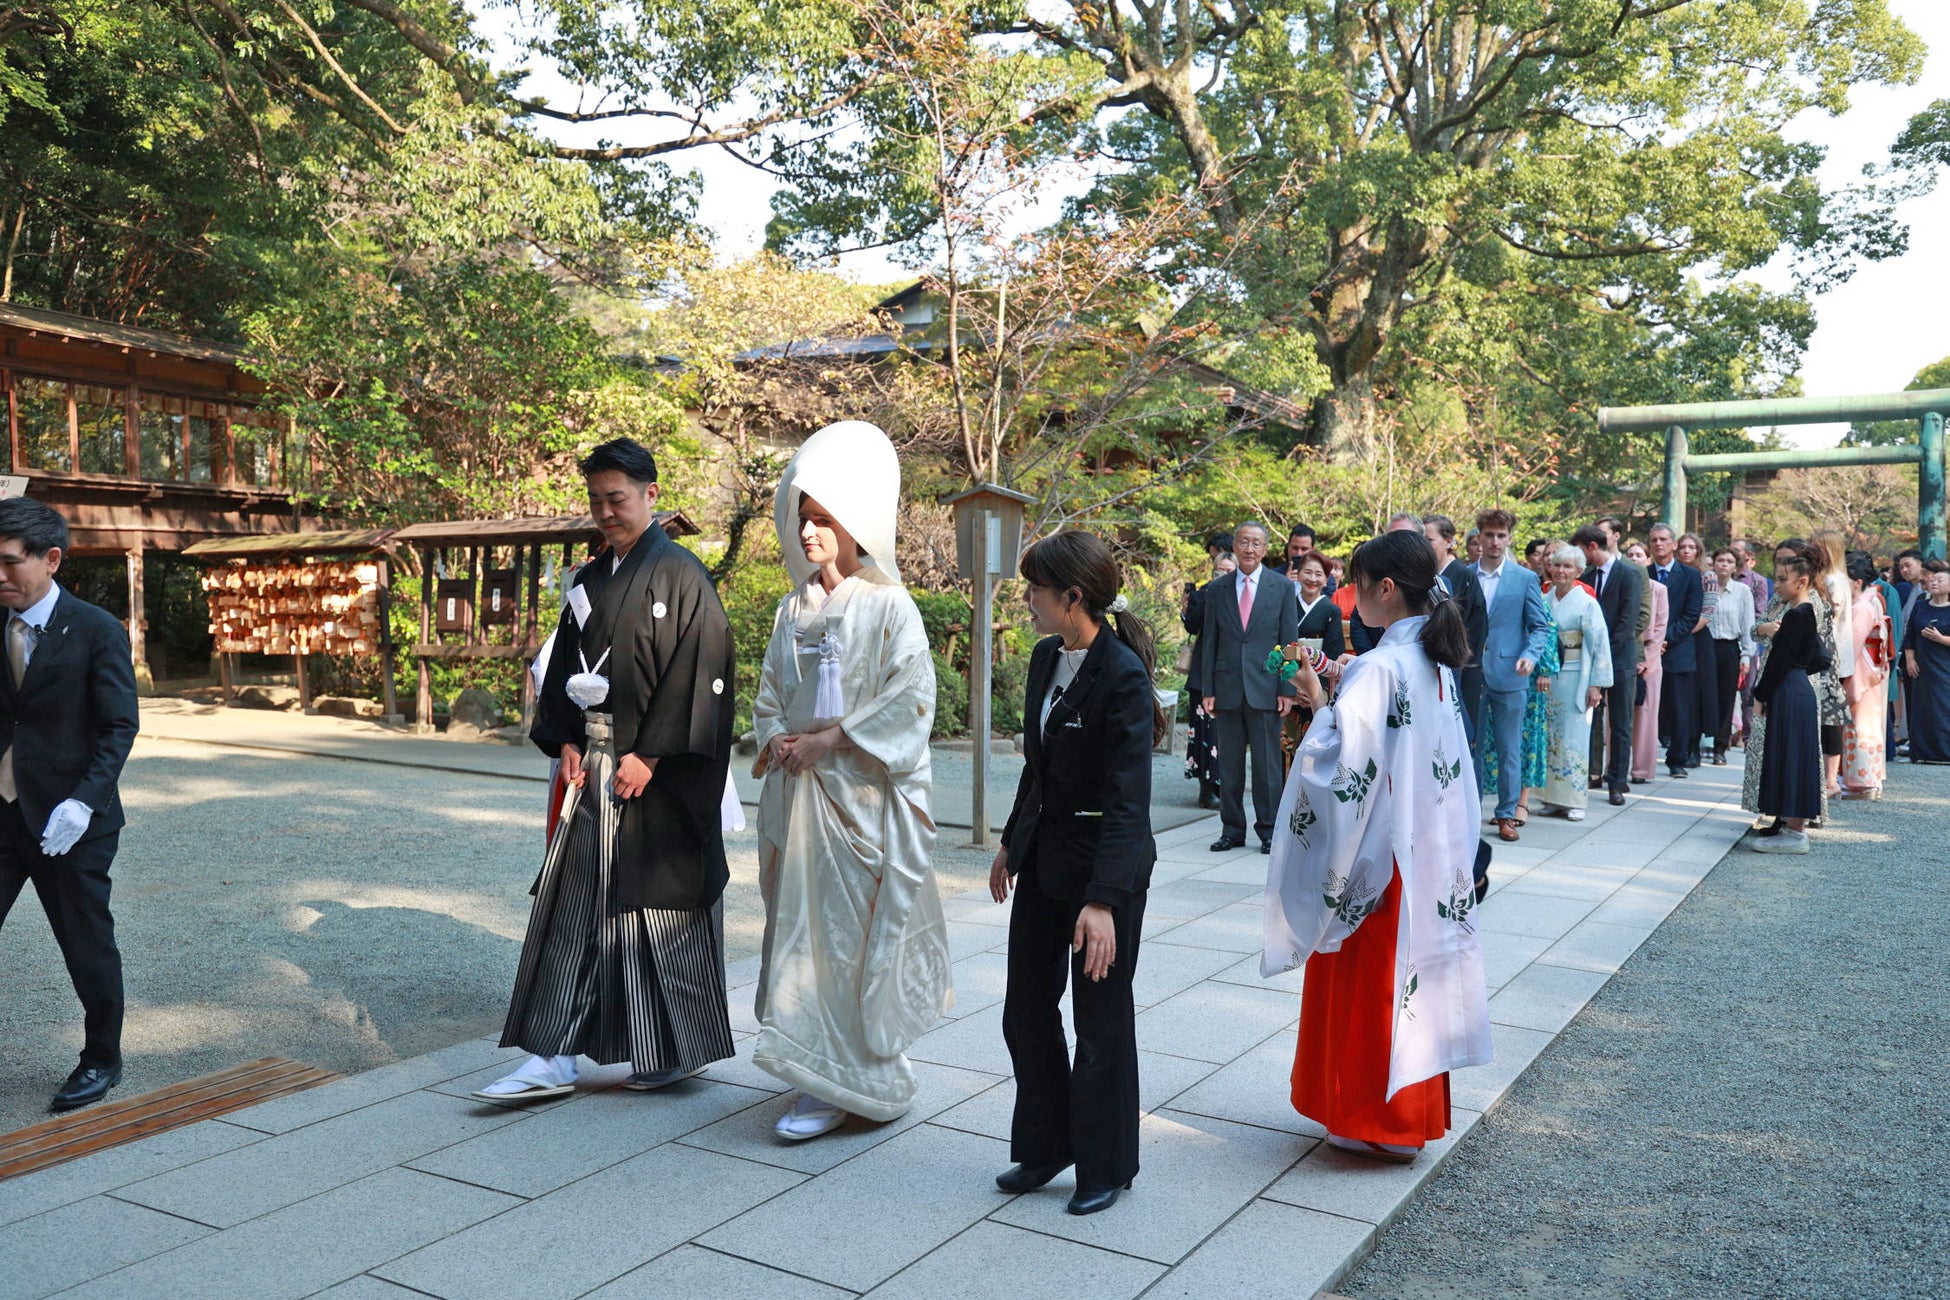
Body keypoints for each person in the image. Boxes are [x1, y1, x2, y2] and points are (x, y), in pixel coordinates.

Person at [479, 438, 737, 1103]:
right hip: (593, 764)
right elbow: (563, 661)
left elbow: (703, 673)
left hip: (657, 770)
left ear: (651, 495)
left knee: (657, 911)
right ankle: (553, 1053)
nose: (605, 512)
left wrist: (651, 755)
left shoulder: (683, 575)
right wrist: (563, 737)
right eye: (595, 499)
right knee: (574, 904)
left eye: (616, 498)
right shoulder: (590, 580)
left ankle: (674, 1049)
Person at [1262, 529, 1491, 1164]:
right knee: (1411, 980)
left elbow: (1342, 766)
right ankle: (1405, 1116)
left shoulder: (1381, 665)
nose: (1351, 598)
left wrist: (1316, 701)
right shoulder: (1433, 661)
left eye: (1358, 586)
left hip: (1381, 853)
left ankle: (1368, 1116)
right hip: (1428, 847)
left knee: (1369, 981)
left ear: (1384, 589)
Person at [749, 422, 952, 1139]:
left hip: (857, 802)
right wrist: (778, 737)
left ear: (852, 525)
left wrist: (831, 740)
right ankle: (810, 1066)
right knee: (799, 934)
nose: (807, 534)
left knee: (849, 940)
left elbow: (912, 698)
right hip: (801, 797)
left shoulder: (889, 604)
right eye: (802, 520)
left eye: (821, 520)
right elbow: (769, 691)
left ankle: (852, 1079)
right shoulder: (791, 608)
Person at [992, 530, 1163, 1216]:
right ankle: (1047, 1144)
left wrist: (1103, 902)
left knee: (1099, 1024)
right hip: (1044, 861)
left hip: (1104, 876)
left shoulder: (1122, 675)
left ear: (1073, 597)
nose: (1026, 599)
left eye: (1036, 588)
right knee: (1025, 1011)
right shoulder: (1044, 657)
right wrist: (1011, 841)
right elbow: (1039, 767)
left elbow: (1129, 801)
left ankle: (1108, 1164)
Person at [0, 498, 140, 1113]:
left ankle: (101, 1059)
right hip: (3, 814)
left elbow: (118, 728)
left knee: (86, 944)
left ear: (51, 560)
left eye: (9, 564)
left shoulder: (96, 630)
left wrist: (84, 803)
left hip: (72, 824)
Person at [1201, 521, 1300, 853]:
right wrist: (1207, 688)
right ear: (1235, 544)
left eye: (1256, 543)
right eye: (1244, 542)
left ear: (1265, 549)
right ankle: (1231, 829)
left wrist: (1286, 688)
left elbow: (1289, 641)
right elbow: (1209, 641)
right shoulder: (1217, 589)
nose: (1249, 549)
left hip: (1266, 686)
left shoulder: (1282, 587)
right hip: (1226, 685)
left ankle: (1269, 830)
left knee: (1267, 766)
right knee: (1228, 765)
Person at [1470, 509, 1551, 842]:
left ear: (1509, 538)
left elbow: (1540, 626)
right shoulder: (1464, 576)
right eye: (1489, 535)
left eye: (1501, 535)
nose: (1494, 541)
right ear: (1479, 537)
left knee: (1509, 748)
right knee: (1469, 746)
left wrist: (1530, 656)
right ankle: (1467, 812)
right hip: (1470, 672)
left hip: (1511, 672)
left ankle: (1506, 814)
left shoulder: (1524, 578)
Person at [1746, 553, 1827, 855]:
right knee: (1794, 756)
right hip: (1795, 688)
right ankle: (1793, 828)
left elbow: (1779, 662)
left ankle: (1795, 832)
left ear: (1801, 581)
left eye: (1783, 579)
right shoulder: (1802, 612)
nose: (1777, 585)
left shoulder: (1797, 614)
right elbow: (1818, 658)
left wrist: (1760, 694)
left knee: (1793, 757)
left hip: (1789, 688)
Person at [1576, 524, 1640, 806]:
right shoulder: (1587, 576)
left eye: (1580, 550)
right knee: (1591, 721)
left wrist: (1604, 658)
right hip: (1590, 662)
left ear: (1591, 546)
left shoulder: (1629, 574)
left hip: (1621, 660)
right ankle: (1589, 774)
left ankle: (1616, 781)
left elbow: (1628, 622)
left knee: (1621, 723)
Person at [1423, 516, 1487, 754]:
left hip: (1459, 665)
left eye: (1429, 539)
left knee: (1462, 739)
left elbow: (1476, 627)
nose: (1424, 544)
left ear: (1449, 541)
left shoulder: (1463, 576)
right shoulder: (1427, 575)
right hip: (1432, 664)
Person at [1646, 524, 1703, 779]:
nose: (1659, 544)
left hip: (1678, 649)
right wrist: (1653, 640)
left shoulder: (1690, 576)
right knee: (1647, 707)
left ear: (1674, 544)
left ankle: (1677, 759)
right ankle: (1643, 760)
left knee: (1680, 708)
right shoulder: (1642, 573)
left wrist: (1665, 638)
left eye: (1663, 539)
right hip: (1647, 650)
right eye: (1654, 540)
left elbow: (1692, 615)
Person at [1282, 552, 1346, 775]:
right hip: (1287, 688)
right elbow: (1279, 647)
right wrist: (1292, 688)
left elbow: (1333, 654)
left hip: (1316, 690)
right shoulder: (1286, 604)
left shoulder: (1331, 611)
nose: (1312, 578)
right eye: (1307, 572)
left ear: (1326, 579)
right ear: (1298, 574)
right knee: (1285, 752)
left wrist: (1311, 688)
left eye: (1319, 574)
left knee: (1313, 752)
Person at [1181, 533, 1232, 810]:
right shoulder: (1204, 594)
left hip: (1231, 673)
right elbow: (1191, 625)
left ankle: (1224, 786)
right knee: (1203, 731)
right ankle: (1205, 788)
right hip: (1203, 672)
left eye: (1229, 571)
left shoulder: (1243, 597)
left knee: (1226, 732)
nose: (1223, 575)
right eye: (1219, 570)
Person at [1837, 552, 1887, 801]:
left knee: (1860, 727)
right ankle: (1865, 781)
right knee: (1861, 725)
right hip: (1866, 670)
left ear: (1857, 582)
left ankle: (1863, 783)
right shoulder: (1864, 604)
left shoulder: (1862, 607)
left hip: (1861, 671)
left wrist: (1840, 672)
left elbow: (1851, 645)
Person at [1812, 531, 1856, 794]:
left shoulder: (1833, 580)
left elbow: (1830, 613)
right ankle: (1827, 778)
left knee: (1829, 719)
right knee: (1828, 718)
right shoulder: (1838, 579)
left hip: (1830, 656)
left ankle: (1830, 780)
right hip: (1833, 656)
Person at [1706, 548, 1756, 766]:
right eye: (1720, 560)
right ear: (1713, 563)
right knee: (1704, 695)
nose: (1724, 565)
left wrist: (1746, 655)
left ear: (1735, 567)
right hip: (1706, 646)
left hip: (1729, 647)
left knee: (1727, 698)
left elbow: (1748, 625)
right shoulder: (1705, 588)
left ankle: (1720, 746)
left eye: (1729, 561)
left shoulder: (1742, 591)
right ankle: (1700, 742)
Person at [1627, 541, 1671, 784]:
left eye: (1639, 555)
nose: (1634, 558)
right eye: (1630, 554)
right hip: (1623, 659)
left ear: (1647, 560)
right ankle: (1615, 765)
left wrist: (1644, 662)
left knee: (1645, 715)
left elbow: (1661, 628)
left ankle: (1642, 770)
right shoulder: (1621, 585)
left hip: (1650, 661)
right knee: (1618, 717)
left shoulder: (1659, 590)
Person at [1675, 533, 1718, 767]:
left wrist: (1681, 633)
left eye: (1692, 547)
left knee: (1697, 695)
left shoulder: (1707, 576)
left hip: (1697, 638)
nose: (1686, 551)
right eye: (1682, 547)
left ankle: (1694, 747)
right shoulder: (1672, 573)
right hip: (1674, 637)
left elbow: (1707, 613)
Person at [1902, 559, 1950, 763]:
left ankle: (1945, 751)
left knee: (1944, 707)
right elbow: (1910, 634)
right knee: (1922, 707)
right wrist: (1910, 659)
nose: (1935, 582)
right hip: (1923, 664)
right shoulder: (1921, 605)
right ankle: (1922, 750)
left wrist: (1941, 639)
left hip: (1945, 665)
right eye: (1933, 579)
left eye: (1940, 579)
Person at [1731, 541, 1772, 742]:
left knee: (1748, 692)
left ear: (1748, 555)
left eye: (1738, 551)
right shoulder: (1723, 576)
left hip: (1749, 640)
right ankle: (1724, 736)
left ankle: (1748, 736)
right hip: (1726, 638)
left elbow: (1759, 613)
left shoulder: (1757, 581)